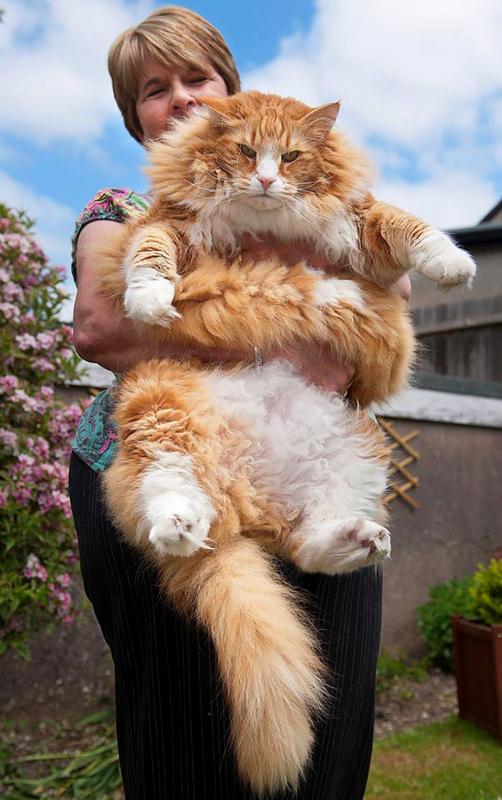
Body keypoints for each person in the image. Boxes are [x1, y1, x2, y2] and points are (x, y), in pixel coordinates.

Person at [69, 7, 411, 799]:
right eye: (155, 89)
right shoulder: (123, 208)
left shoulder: (303, 191)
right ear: (135, 116)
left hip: (307, 458)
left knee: (337, 722)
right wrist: (286, 333)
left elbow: (387, 300)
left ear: (233, 90)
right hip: (174, 457)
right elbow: (99, 324)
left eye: (198, 77)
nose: (182, 98)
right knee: (189, 729)